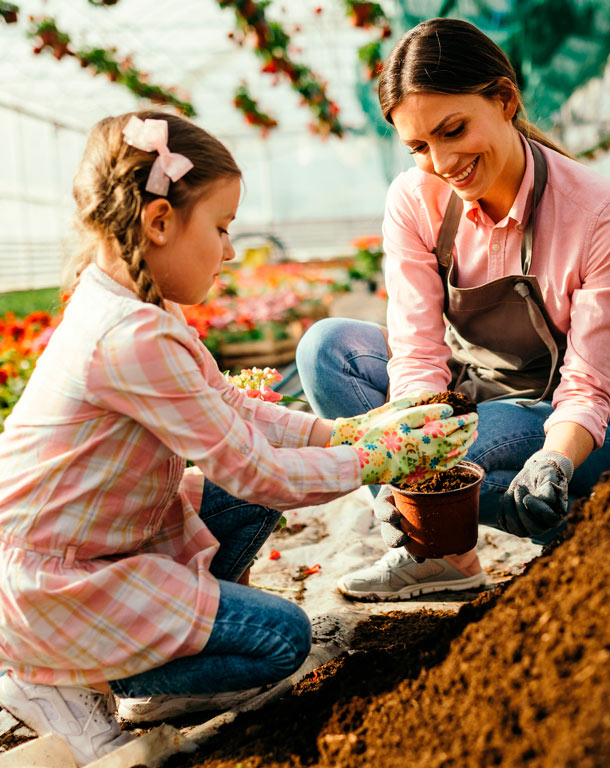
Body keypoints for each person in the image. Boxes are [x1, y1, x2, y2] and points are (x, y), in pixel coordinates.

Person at [0, 110, 476, 766]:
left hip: (98, 544)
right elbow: (259, 475)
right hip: (59, 584)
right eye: (221, 228)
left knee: (254, 500)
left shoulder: (136, 306)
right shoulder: (132, 338)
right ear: (159, 223)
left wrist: (346, 428)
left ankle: (146, 650)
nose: (229, 250)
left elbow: (231, 409)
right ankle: (71, 679)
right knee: (283, 640)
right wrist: (376, 457)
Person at [296, 17, 610, 603]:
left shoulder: (593, 212)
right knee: (326, 349)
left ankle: (540, 499)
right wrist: (413, 440)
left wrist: (554, 460)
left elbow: (590, 386)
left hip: (562, 418)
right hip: (468, 395)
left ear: (505, 99)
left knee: (484, 442)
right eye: (418, 146)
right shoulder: (415, 200)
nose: (441, 162)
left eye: (453, 129)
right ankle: (445, 551)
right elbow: (416, 353)